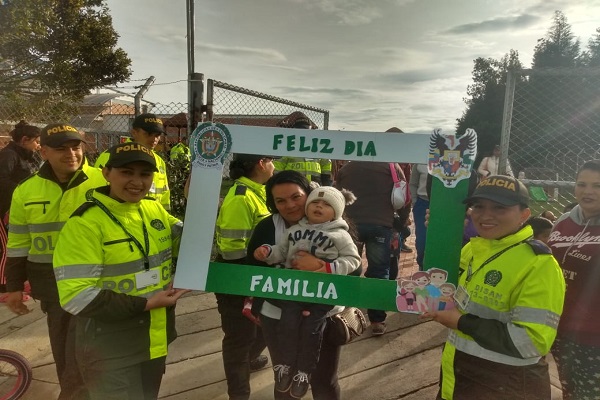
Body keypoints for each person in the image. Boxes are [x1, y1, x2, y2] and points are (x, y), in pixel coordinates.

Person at [52, 142, 188, 399]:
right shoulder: (85, 224)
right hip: (109, 347)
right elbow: (76, 296)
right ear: (106, 173)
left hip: (154, 338)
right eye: (127, 172)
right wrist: (146, 304)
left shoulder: (153, 208)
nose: (137, 182)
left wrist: (200, 206)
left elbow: (190, 242)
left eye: (145, 174)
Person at [423, 175, 565, 399]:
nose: (486, 215)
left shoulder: (539, 265)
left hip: (508, 384)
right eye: (479, 206)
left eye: (500, 207)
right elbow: (438, 286)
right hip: (458, 373)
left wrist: (460, 322)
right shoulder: (473, 249)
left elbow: (532, 342)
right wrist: (442, 235)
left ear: (524, 215)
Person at [4, 122, 106, 399]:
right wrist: (14, 287)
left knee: (93, 352)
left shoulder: (103, 182)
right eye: (61, 149)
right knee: (64, 351)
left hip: (99, 281)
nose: (71, 154)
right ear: (44, 152)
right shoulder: (26, 191)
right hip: (52, 286)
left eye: (75, 147)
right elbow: (18, 243)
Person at [247, 170, 361, 400]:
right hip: (279, 314)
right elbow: (253, 269)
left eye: (296, 197)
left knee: (324, 381)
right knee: (285, 383)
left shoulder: (335, 225)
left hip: (324, 313)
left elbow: (355, 268)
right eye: (280, 200)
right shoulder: (268, 227)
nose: (289, 205)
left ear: (308, 194)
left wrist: (320, 265)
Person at [215, 153, 275, 400]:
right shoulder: (241, 198)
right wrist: (248, 284)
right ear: (261, 164)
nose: (274, 165)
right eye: (271, 161)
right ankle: (239, 394)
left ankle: (250, 358)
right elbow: (232, 251)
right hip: (237, 276)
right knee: (239, 339)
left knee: (263, 326)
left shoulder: (258, 192)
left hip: (256, 275)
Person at [547, 160, 600, 399]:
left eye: (597, 186)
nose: (588, 191)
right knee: (569, 389)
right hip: (561, 327)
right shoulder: (565, 220)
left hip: (594, 334)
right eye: (582, 184)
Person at [336, 160, 406, 336]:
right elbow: (405, 198)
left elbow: (336, 196)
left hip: (350, 226)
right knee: (379, 272)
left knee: (349, 269)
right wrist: (401, 223)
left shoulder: (347, 168)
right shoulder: (391, 166)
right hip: (380, 226)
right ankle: (377, 320)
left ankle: (345, 315)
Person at [95, 113, 171, 211]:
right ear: (134, 132)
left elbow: (165, 195)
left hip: (152, 216)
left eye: (157, 135)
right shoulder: (111, 155)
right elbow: (98, 190)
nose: (154, 139)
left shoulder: (159, 161)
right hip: (118, 214)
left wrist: (164, 215)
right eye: (148, 134)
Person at [0, 121, 41, 300]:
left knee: (22, 246)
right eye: (36, 141)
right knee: (8, 247)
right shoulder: (8, 155)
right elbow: (2, 180)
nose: (38, 146)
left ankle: (18, 283)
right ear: (25, 140)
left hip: (18, 209)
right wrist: (22, 192)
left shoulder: (27, 156)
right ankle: (5, 288)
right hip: (4, 209)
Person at [274, 111, 332, 185]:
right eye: (300, 130)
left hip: (315, 185)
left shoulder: (317, 145)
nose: (303, 134)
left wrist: (326, 181)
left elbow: (326, 163)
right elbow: (278, 167)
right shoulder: (287, 146)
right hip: (293, 184)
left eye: (306, 131)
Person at [409, 164, 429, 269]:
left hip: (445, 204)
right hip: (423, 203)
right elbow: (413, 184)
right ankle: (422, 266)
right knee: (422, 240)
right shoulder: (420, 162)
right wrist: (415, 201)